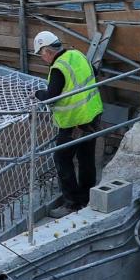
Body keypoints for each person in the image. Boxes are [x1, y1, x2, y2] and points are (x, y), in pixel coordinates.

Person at [31, 31, 104, 218]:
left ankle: (72, 203)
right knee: (86, 158)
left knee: (62, 158)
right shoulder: (77, 54)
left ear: (47, 51)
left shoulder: (58, 69)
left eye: (41, 54)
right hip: (93, 115)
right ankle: (86, 197)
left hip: (75, 122)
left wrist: (37, 94)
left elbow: (51, 97)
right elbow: (94, 72)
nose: (42, 58)